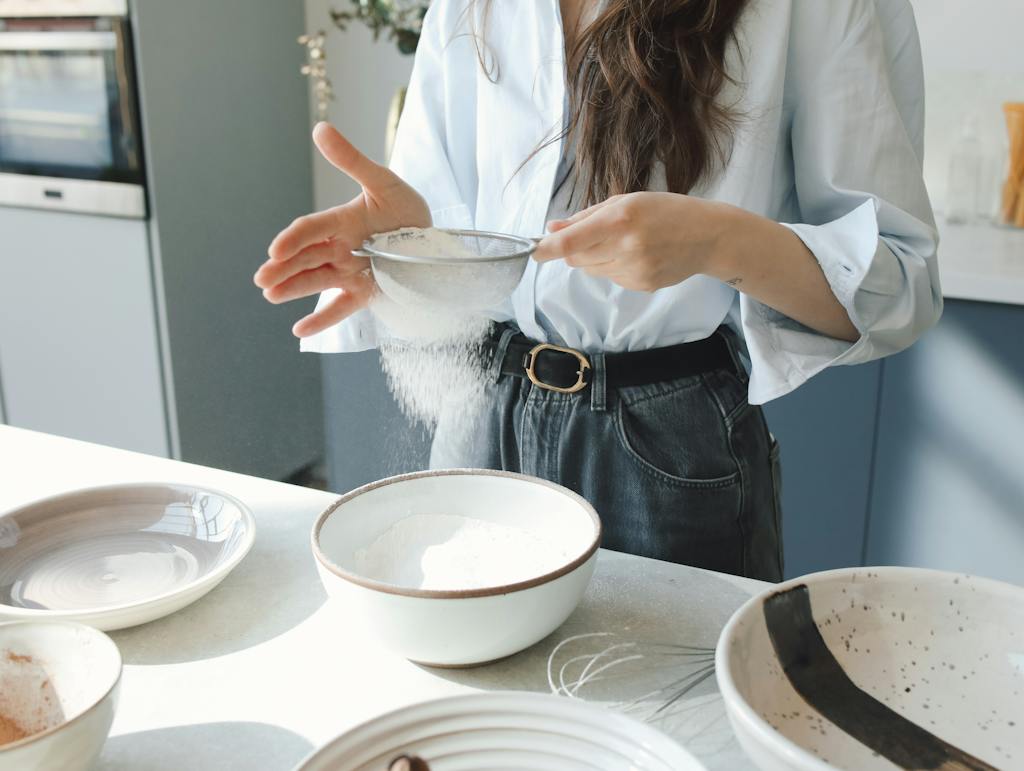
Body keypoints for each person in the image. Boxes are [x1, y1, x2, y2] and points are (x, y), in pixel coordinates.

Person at [254, 0, 941, 582]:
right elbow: (458, 241)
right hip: (481, 417)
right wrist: (408, 247)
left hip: (669, 452)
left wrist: (716, 241)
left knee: (675, 726)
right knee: (474, 722)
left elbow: (896, 278)